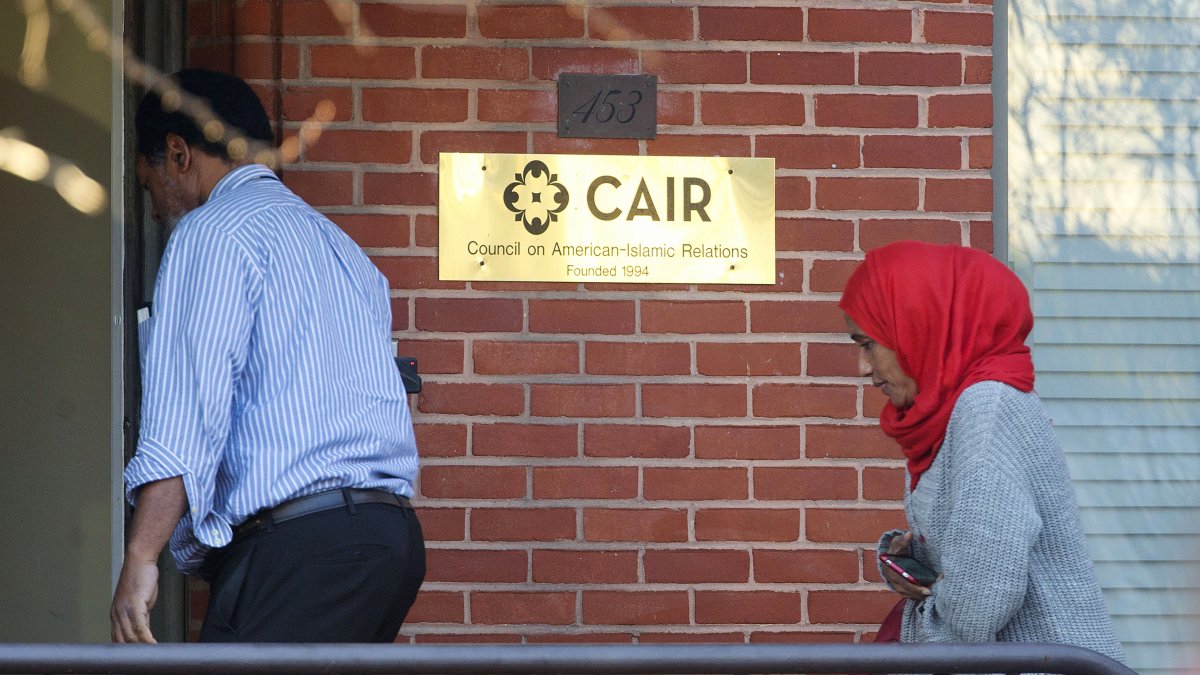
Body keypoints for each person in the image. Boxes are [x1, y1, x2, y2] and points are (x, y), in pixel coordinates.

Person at [110, 69, 425, 643]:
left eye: (147, 181)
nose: (153, 207)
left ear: (178, 154)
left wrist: (140, 557)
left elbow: (186, 417)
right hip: (392, 540)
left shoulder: (211, 234)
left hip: (302, 550)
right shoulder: (342, 249)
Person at [838, 241, 1124, 662]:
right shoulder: (942, 413)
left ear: (915, 324)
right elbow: (973, 553)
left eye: (868, 344)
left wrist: (915, 640)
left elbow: (978, 604)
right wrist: (909, 564)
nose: (862, 367)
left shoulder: (986, 407)